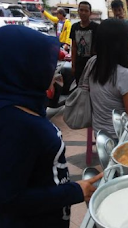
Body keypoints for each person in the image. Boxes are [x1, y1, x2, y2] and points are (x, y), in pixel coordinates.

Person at [0, 25, 102, 228]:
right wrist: (75, 191)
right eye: (45, 63)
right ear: (23, 66)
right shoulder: (15, 124)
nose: (52, 69)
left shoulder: (22, 104)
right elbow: (9, 199)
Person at [89, 19, 128, 141]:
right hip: (120, 138)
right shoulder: (125, 75)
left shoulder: (92, 63)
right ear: (122, 43)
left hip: (99, 135)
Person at [70, 1, 99, 85]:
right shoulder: (74, 27)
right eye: (81, 10)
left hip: (92, 64)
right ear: (78, 11)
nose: (83, 13)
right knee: (79, 86)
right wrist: (73, 65)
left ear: (90, 13)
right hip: (79, 64)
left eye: (86, 11)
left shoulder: (96, 27)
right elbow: (74, 46)